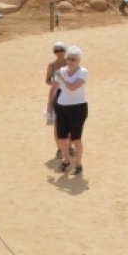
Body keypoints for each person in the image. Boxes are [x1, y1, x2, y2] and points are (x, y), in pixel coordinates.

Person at [52, 46, 89, 174]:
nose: (70, 61)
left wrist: (62, 77)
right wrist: (50, 105)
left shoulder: (83, 72)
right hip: (62, 105)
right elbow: (54, 87)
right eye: (68, 59)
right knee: (61, 138)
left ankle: (78, 164)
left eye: (73, 59)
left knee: (76, 138)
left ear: (78, 60)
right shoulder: (62, 71)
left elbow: (73, 87)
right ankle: (66, 160)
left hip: (78, 107)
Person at [45, 42, 74, 160]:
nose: (59, 53)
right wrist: (57, 83)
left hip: (70, 95)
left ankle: (70, 147)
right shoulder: (52, 65)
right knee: (57, 125)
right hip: (58, 94)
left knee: (71, 123)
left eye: (61, 50)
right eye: (56, 51)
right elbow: (47, 80)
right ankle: (60, 149)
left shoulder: (71, 63)